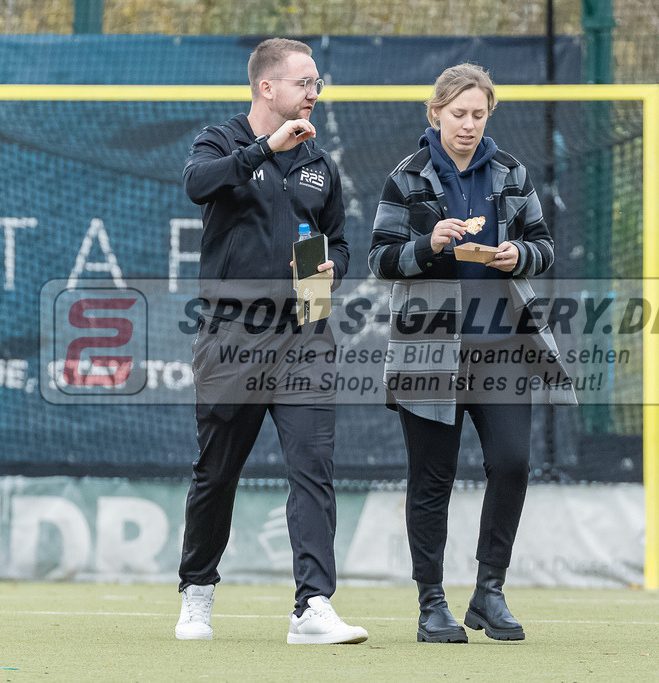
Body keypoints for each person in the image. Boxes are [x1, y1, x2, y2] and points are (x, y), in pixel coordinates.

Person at [369, 63, 577, 643]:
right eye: (458, 113)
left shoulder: (511, 171)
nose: (468, 124)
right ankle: (431, 604)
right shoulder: (405, 177)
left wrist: (519, 255)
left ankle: (490, 592)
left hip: (503, 348)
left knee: (512, 464)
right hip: (428, 351)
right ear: (435, 113)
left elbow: (544, 246)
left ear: (489, 115)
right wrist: (428, 245)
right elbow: (380, 258)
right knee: (431, 478)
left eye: (478, 114)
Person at [176, 37, 367, 645]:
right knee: (217, 473)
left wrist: (333, 266)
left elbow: (339, 242)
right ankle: (196, 592)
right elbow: (197, 184)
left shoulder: (320, 163)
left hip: (307, 333)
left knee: (313, 469)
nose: (314, 93)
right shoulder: (221, 141)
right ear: (267, 87)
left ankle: (313, 606)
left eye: (317, 84)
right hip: (233, 336)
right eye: (304, 83)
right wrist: (264, 149)